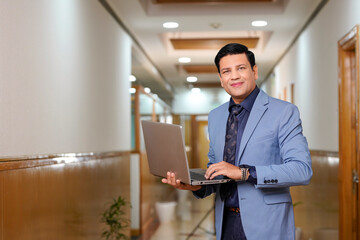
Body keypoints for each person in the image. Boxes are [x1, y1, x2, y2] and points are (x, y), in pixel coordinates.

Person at [162, 43, 312, 240]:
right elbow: (216, 170)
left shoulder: (284, 112)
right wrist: (195, 186)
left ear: (254, 71)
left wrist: (243, 172)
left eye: (241, 68)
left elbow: (302, 170)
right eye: (226, 71)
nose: (234, 76)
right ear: (221, 79)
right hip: (225, 223)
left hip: (267, 225)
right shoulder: (215, 116)